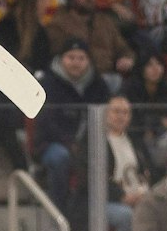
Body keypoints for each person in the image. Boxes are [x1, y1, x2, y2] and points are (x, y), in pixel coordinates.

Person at [35, 39, 111, 207]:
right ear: (62, 59)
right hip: (52, 143)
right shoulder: (48, 84)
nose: (76, 62)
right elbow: (45, 122)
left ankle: (93, 208)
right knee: (60, 157)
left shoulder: (98, 85)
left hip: (89, 143)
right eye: (71, 57)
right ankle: (60, 210)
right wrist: (69, 142)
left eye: (81, 58)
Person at [44, 0, 133, 82]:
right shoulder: (58, 24)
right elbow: (57, 58)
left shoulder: (104, 21)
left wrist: (126, 58)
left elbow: (123, 48)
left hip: (107, 76)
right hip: (73, 79)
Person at [101, 93, 152, 231]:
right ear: (106, 113)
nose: (121, 116)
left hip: (140, 197)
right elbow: (92, 179)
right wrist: (123, 197)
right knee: (127, 216)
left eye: (125, 112)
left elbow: (147, 172)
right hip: (108, 201)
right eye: (116, 111)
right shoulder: (95, 141)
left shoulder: (135, 141)